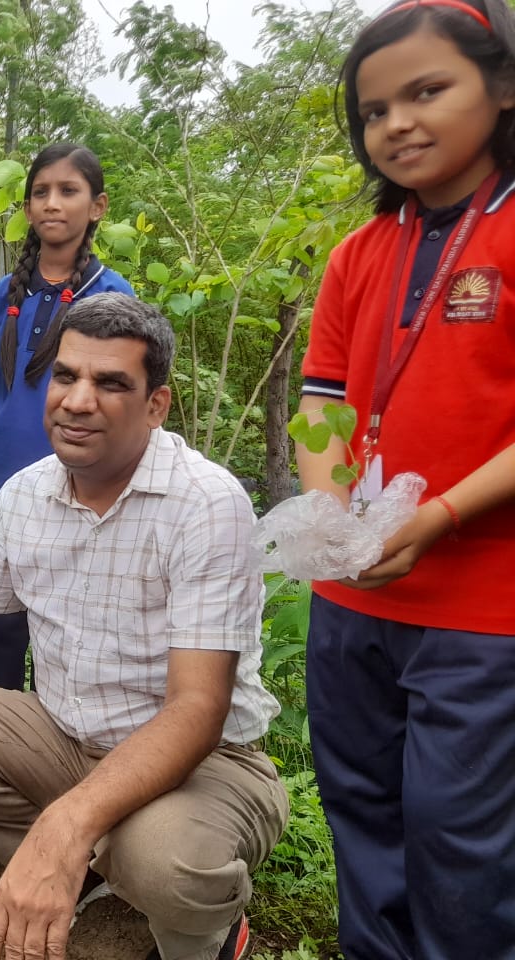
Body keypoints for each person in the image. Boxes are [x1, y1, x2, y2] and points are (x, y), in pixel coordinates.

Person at [0, 294, 287, 960]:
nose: (77, 400)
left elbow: (198, 708)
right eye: (66, 376)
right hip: (69, 738)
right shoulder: (27, 493)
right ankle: (82, 864)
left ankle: (203, 936)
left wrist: (69, 823)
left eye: (110, 384)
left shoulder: (205, 502)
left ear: (156, 406)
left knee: (169, 862)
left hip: (206, 761)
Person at [295, 1, 515, 955]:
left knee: (458, 834)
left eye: (429, 91)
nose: (400, 123)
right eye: (376, 109)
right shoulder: (360, 253)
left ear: (502, 87)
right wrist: (332, 513)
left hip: (482, 605)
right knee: (360, 811)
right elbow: (321, 401)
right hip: (356, 590)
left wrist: (440, 517)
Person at [0, 142, 134, 690]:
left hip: (78, 490)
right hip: (1, 488)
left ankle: (62, 765)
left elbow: (121, 403)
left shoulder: (112, 296)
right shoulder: (4, 294)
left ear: (98, 206)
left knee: (65, 637)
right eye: (40, 192)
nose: (52, 204)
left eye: (68, 191)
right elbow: (1, 387)